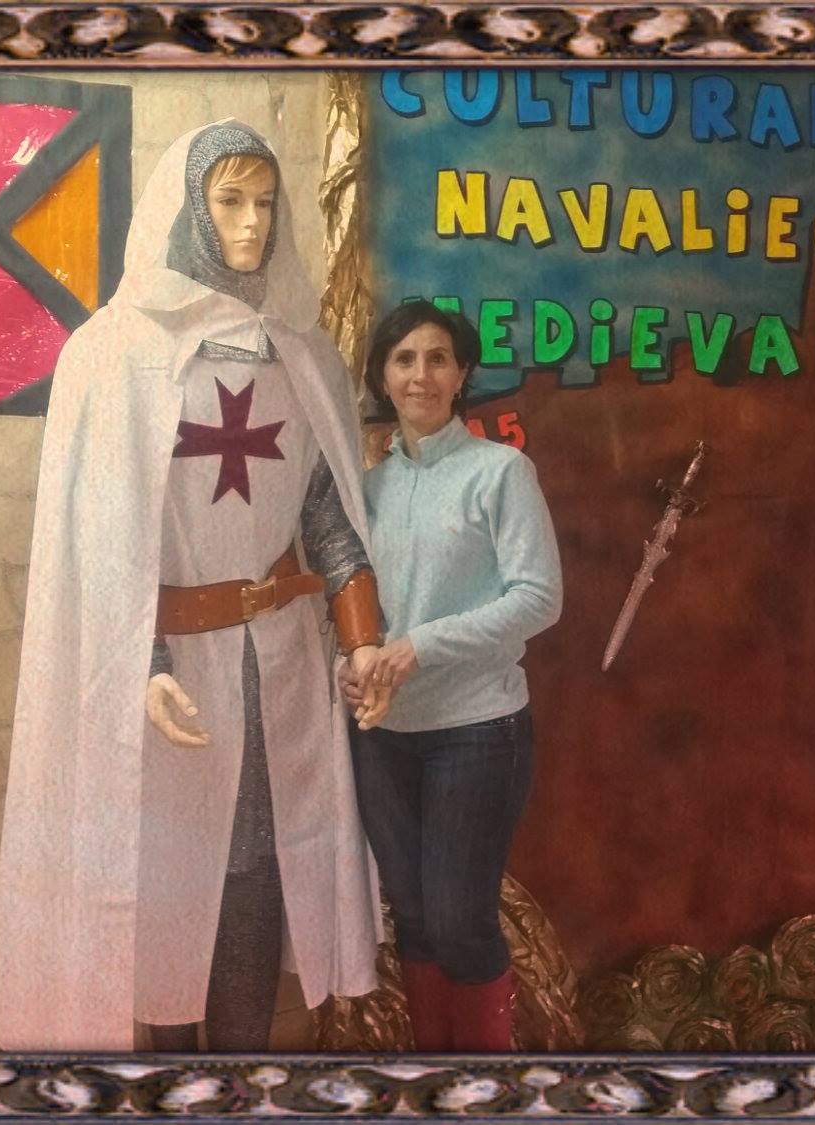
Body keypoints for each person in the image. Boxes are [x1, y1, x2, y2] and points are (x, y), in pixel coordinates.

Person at [0, 119, 387, 1052]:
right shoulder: (118, 352)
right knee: (166, 887)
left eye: (266, 203)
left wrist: (364, 636)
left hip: (278, 669)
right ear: (187, 207)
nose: (252, 224)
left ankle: (238, 1081)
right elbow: (105, 535)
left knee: (254, 877)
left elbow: (327, 516)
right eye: (229, 200)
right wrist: (145, 662)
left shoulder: (302, 355)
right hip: (165, 677)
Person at [339, 301, 564, 1051]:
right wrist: (350, 666)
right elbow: (353, 608)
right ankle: (433, 1079)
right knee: (413, 918)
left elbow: (539, 598)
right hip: (384, 737)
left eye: (438, 358)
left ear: (462, 373)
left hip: (477, 730)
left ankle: (484, 1086)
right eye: (403, 359)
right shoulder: (368, 489)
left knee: (461, 922)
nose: (421, 375)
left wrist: (419, 647)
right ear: (383, 376)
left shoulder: (500, 472)